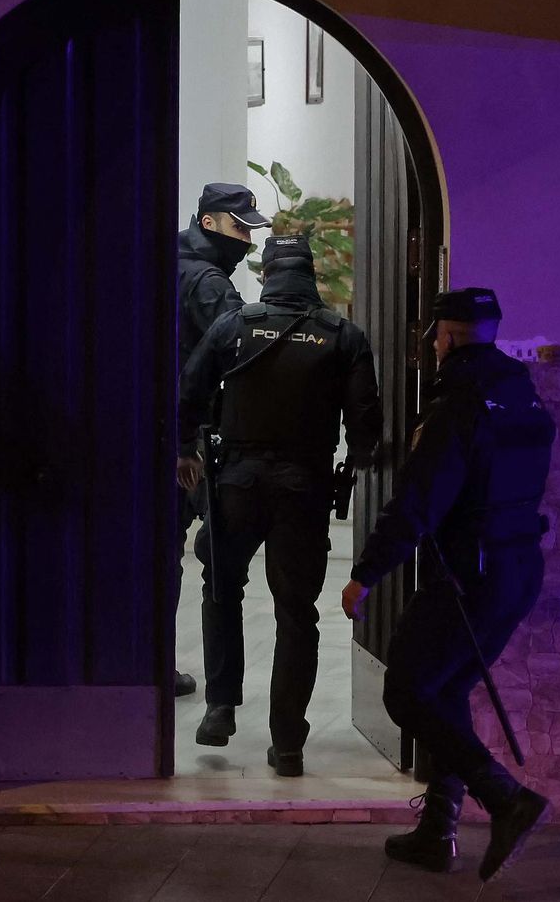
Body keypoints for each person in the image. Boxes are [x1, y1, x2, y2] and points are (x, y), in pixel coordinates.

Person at [340, 287, 555, 883]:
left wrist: (365, 576)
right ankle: (438, 832)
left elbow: (417, 503)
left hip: (470, 577)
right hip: (516, 570)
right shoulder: (520, 392)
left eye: (434, 334)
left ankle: (507, 798)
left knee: (406, 692)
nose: (431, 344)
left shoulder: (457, 403)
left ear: (447, 336)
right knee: (447, 689)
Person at [177, 234, 382, 775]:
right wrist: (361, 462)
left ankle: (220, 707)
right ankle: (288, 742)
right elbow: (366, 430)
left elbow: (189, 391)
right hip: (303, 487)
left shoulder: (234, 326)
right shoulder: (343, 336)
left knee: (222, 587)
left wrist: (185, 450)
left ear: (267, 273)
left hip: (237, 483)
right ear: (311, 275)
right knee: (298, 615)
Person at [173, 182, 272, 696]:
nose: (248, 243)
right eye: (241, 230)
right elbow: (236, 350)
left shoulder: (170, 258)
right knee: (189, 554)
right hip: (186, 438)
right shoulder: (208, 282)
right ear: (209, 223)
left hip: (162, 428)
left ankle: (145, 665)